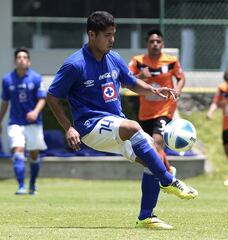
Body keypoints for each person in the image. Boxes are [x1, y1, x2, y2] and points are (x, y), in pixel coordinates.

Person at [46, 11, 198, 229]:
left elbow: (132, 83)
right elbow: (52, 96)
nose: (112, 40)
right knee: (134, 127)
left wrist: (156, 90)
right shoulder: (75, 65)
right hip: (90, 127)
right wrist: (69, 128)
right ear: (91, 34)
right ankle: (168, 181)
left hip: (115, 123)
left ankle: (146, 217)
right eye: (107, 35)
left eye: (113, 34)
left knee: (154, 157)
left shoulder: (113, 58)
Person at [128, 29, 185, 177]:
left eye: (158, 41)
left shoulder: (171, 61)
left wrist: (177, 90)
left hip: (165, 109)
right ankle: (168, 171)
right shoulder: (138, 61)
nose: (155, 44)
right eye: (152, 41)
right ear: (146, 44)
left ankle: (164, 177)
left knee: (157, 142)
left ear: (163, 44)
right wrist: (141, 75)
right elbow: (126, 80)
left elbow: (181, 78)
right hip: (145, 112)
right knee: (150, 147)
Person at [0, 47, 47, 195]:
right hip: (15, 122)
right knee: (18, 151)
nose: (21, 59)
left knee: (33, 155)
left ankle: (32, 184)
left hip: (33, 123)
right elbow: (4, 102)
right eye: (19, 57)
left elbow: (42, 99)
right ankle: (21, 186)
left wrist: (35, 112)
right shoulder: (7, 79)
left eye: (24, 57)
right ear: (14, 61)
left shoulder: (36, 78)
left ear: (29, 61)